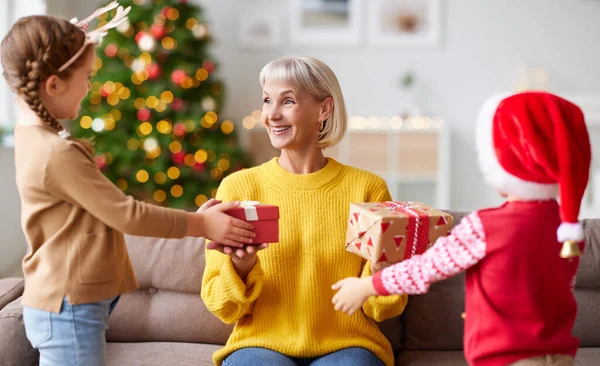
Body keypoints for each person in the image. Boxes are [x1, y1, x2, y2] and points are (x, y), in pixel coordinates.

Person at [0, 3, 254, 365]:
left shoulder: (34, 137)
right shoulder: (54, 153)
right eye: (86, 77)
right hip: (68, 306)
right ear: (53, 84)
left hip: (73, 300)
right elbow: (126, 214)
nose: (90, 86)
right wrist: (201, 225)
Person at [332, 91, 591, 366]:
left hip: (505, 359)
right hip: (561, 356)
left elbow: (425, 269)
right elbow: (553, 292)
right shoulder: (568, 229)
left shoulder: (486, 227)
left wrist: (365, 286)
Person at [201, 56, 407, 366]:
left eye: (287, 101)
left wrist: (383, 268)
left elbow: (383, 309)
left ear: (323, 109)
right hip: (261, 345)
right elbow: (222, 307)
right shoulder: (239, 188)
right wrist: (241, 265)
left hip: (347, 346)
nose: (272, 114)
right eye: (267, 100)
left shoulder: (367, 189)